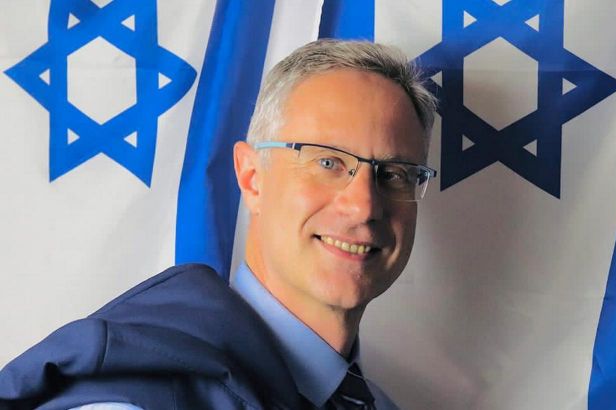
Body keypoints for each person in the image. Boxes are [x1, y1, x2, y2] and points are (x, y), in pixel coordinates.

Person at [0, 39, 437, 410]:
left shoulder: (379, 404)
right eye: (328, 162)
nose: (363, 206)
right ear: (252, 177)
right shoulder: (133, 400)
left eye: (394, 174)